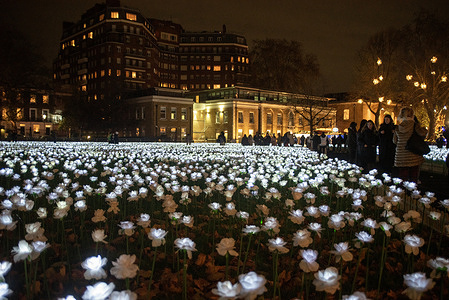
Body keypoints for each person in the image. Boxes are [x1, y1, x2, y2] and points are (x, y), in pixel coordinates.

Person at [393, 107, 427, 183]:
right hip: (413, 155)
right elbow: (423, 133)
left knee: (402, 177)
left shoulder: (398, 127)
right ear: (412, 115)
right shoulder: (415, 125)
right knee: (413, 177)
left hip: (401, 156)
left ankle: (403, 193)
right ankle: (412, 193)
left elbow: (395, 141)